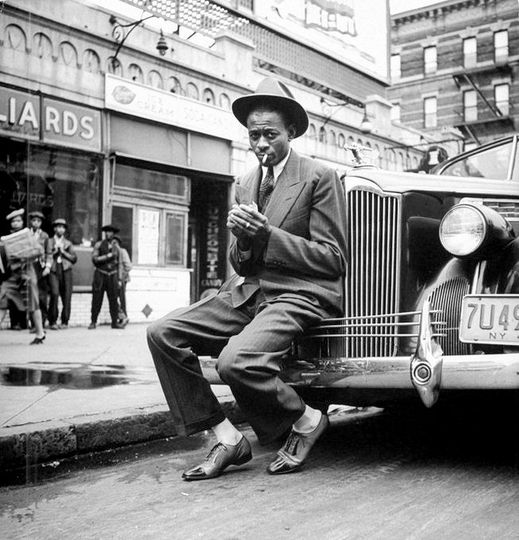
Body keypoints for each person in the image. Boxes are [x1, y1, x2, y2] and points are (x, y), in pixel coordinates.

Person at [147, 77, 348, 481]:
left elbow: (333, 260)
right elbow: (241, 265)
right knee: (161, 333)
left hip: (299, 295)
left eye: (270, 134)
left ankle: (307, 420)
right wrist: (242, 239)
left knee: (235, 362)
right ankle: (226, 436)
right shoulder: (244, 183)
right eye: (253, 135)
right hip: (248, 293)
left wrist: (266, 235)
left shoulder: (318, 177)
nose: (260, 144)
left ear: (291, 132)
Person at [0, 209, 46, 344]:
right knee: (1, 300)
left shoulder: (29, 235)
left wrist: (20, 255)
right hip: (12, 275)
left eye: (19, 220)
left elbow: (39, 251)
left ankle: (40, 333)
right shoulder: (5, 239)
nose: (16, 223)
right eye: (13, 221)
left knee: (33, 303)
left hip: (27, 273)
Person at [89, 224, 125, 330]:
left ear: (114, 234)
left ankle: (114, 322)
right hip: (100, 274)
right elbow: (94, 259)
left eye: (111, 232)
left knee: (113, 300)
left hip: (112, 275)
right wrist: (108, 256)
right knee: (97, 299)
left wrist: (119, 279)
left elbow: (120, 264)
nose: (108, 234)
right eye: (107, 232)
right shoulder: (99, 245)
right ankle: (93, 321)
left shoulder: (117, 247)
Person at [48, 218, 77, 329]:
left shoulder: (68, 243)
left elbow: (74, 259)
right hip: (54, 269)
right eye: (58, 227)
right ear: (54, 228)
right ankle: (53, 321)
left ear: (64, 230)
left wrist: (63, 252)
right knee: (54, 294)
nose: (60, 229)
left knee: (66, 296)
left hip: (66, 270)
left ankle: (65, 321)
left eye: (62, 227)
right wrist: (55, 251)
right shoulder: (50, 241)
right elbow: (47, 255)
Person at [28, 210, 52, 328]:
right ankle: (33, 324)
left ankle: (42, 323)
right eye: (34, 220)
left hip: (40, 266)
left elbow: (49, 252)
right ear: (31, 222)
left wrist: (47, 266)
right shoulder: (26, 234)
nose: (36, 223)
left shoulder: (44, 236)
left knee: (42, 295)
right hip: (29, 265)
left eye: (38, 221)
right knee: (31, 295)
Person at [113, 235, 131, 327]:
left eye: (115, 243)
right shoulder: (114, 253)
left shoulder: (122, 252)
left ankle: (124, 317)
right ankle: (122, 317)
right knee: (114, 298)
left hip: (121, 280)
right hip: (115, 279)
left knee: (121, 299)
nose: (113, 245)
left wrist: (121, 278)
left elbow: (128, 266)